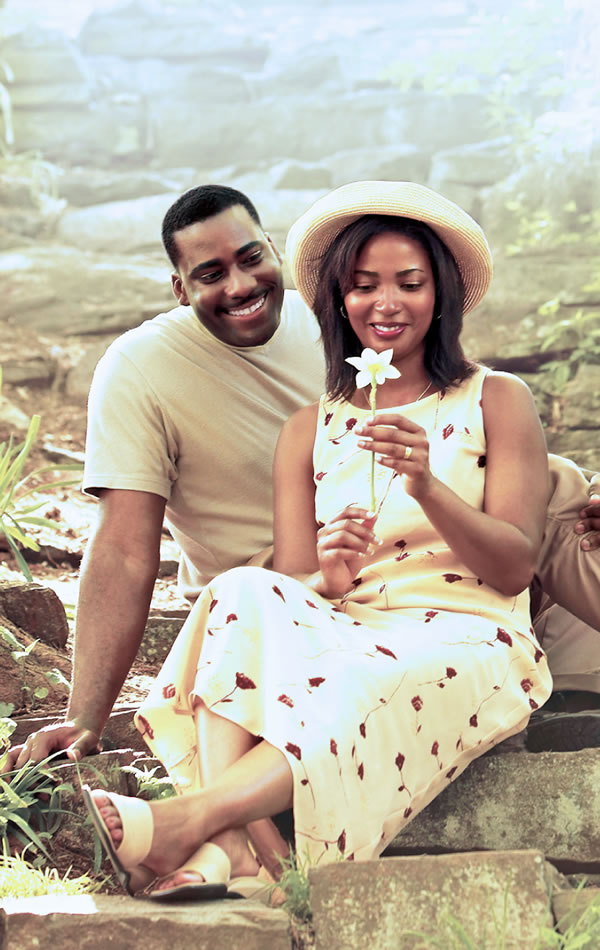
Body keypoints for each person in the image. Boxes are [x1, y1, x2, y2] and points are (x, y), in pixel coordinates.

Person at [4, 184, 600, 774]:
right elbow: (125, 548)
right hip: (277, 574)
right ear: (180, 287)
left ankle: (577, 685)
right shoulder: (139, 368)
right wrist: (84, 717)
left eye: (250, 258)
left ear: (274, 250)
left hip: (402, 536)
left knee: (558, 486)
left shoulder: (336, 314)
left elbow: (453, 414)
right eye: (210, 274)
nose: (239, 286)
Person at [81, 180, 556, 900]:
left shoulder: (496, 399)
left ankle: (202, 822)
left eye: (409, 283)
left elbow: (518, 565)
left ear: (442, 294)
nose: (385, 304)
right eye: (363, 287)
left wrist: (428, 485)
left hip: (468, 635)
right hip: (348, 625)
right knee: (236, 589)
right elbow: (296, 580)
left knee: (358, 683)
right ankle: (243, 852)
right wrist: (328, 580)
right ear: (336, 299)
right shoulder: (309, 428)